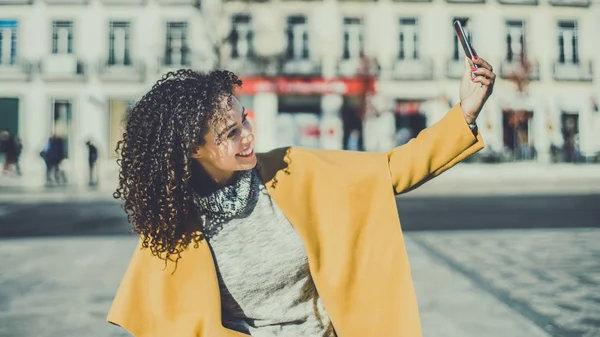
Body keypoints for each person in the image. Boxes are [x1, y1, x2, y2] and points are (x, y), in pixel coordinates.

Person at [108, 56, 495, 337]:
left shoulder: (291, 169)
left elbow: (393, 168)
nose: (248, 135)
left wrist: (466, 112)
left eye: (244, 119)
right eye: (230, 133)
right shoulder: (172, 229)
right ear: (193, 150)